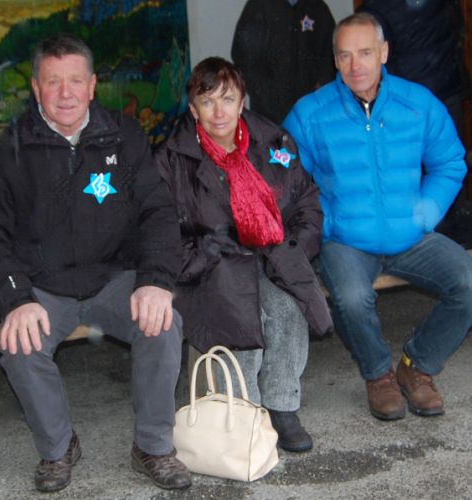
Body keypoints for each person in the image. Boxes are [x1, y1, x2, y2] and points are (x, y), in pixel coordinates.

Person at [0, 34, 191, 492]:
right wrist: (14, 298)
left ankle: (153, 446)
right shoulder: (5, 152)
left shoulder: (124, 136)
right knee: (20, 345)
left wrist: (155, 280)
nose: (65, 93)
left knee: (164, 323)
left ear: (92, 86)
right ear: (36, 88)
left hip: (114, 277)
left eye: (75, 80)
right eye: (53, 82)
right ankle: (58, 448)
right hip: (41, 287)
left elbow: (157, 212)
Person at [284, 13, 472, 421]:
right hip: (345, 240)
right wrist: (324, 222)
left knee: (469, 281)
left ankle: (417, 366)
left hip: (411, 235)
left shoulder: (418, 104)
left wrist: (426, 212)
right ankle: (378, 375)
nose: (356, 66)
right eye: (345, 55)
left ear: (384, 53)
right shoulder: (309, 114)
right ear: (335, 60)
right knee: (352, 299)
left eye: (366, 53)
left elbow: (450, 162)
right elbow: (285, 181)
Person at [155, 57, 333, 452]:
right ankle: (243, 412)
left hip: (269, 256)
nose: (219, 112)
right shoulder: (172, 159)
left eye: (228, 99)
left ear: (242, 101)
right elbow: (160, 232)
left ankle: (282, 404)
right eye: (207, 102)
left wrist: (290, 250)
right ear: (193, 109)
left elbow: (306, 201)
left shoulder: (273, 142)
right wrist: (206, 252)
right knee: (242, 314)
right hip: (209, 266)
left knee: (287, 306)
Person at [356, 0, 472, 245]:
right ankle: (450, 228)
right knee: (444, 165)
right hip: (438, 93)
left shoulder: (376, 10)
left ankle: (438, 233)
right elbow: (456, 30)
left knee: (422, 169)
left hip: (415, 100)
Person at [231, 0, 336, 124]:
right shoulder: (258, 6)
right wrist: (267, 97)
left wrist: (319, 96)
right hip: (268, 115)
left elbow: (330, 59)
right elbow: (244, 59)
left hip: (311, 112)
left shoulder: (318, 8)